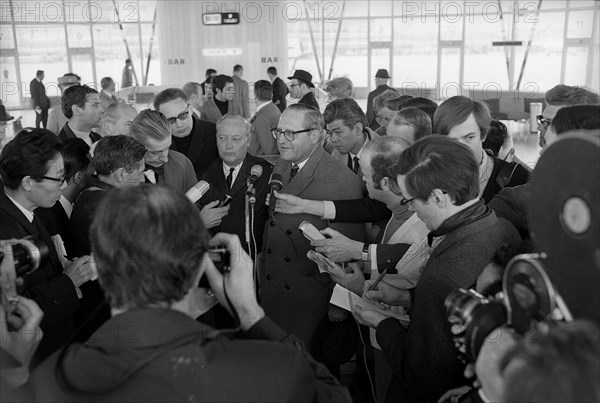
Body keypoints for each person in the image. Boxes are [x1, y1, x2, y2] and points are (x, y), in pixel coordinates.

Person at [28, 185, 351, 403]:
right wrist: (250, 312)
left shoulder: (53, 379)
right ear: (200, 266)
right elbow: (333, 396)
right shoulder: (273, 368)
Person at [352, 135, 520, 402]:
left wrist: (382, 323)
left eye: (412, 201)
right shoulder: (501, 227)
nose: (415, 212)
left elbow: (421, 374)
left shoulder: (443, 276)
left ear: (440, 198)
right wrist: (408, 298)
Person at [259, 103, 365, 350]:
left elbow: (350, 252)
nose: (281, 140)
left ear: (315, 135)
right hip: (275, 288)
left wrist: (339, 304)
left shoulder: (341, 179)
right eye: (279, 131)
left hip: (310, 296)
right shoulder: (283, 165)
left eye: (290, 133)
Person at [0, 129, 95, 365]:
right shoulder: (6, 232)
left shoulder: (28, 210)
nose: (63, 186)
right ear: (28, 182)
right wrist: (68, 282)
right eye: (59, 178)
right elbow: (13, 314)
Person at [433, 96, 530, 203]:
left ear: (483, 135)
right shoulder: (427, 176)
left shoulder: (517, 178)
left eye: (469, 138)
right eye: (452, 141)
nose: (461, 149)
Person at [198, 114, 272, 252]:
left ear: (248, 140)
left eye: (236, 139)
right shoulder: (204, 173)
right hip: (216, 260)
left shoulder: (265, 173)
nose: (228, 145)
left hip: (252, 258)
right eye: (222, 138)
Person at [154, 88, 218, 179]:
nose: (179, 124)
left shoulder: (214, 133)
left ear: (191, 109)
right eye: (171, 120)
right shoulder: (156, 142)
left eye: (183, 115)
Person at [35, 138, 91, 240]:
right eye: (92, 172)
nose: (95, 175)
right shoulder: (47, 218)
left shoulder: (74, 207)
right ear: (78, 177)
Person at [130, 109, 197, 193]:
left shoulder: (182, 163)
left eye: (168, 147)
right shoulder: (122, 174)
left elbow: (195, 204)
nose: (165, 159)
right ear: (134, 145)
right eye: (155, 152)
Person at [249, 80, 280, 156]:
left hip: (260, 162)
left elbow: (269, 150)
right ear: (271, 95)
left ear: (255, 96)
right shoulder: (273, 108)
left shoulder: (263, 117)